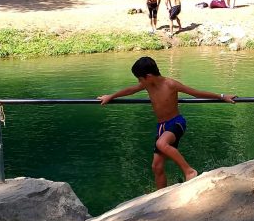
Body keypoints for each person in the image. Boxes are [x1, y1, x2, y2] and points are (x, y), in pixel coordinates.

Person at [98, 56, 237, 188]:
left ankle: (189, 171)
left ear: (149, 76)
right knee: (156, 167)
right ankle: (160, 195)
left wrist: (222, 96)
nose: (139, 83)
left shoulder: (170, 84)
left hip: (176, 123)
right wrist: (111, 96)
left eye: (140, 79)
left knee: (161, 143)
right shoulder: (147, 85)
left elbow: (196, 93)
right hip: (161, 127)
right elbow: (130, 90)